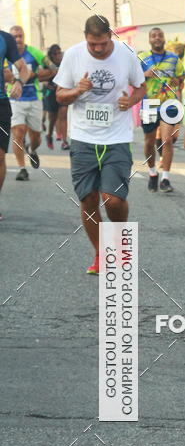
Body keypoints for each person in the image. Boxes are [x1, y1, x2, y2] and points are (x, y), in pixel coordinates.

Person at [54, 15, 146, 274]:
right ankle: (101, 253)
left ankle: (118, 243)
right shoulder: (73, 56)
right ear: (86, 38)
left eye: (103, 44)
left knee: (113, 199)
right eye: (93, 44)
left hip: (117, 137)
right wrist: (77, 91)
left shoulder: (126, 54)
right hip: (83, 138)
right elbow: (60, 96)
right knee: (89, 199)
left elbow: (141, 86)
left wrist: (132, 101)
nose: (98, 49)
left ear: (110, 37)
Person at [138, 27, 185, 193]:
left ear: (164, 39)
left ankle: (165, 178)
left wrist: (177, 83)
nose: (157, 38)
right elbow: (132, 78)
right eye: (153, 36)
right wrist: (145, 74)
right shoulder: (142, 57)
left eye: (160, 35)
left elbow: (181, 77)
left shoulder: (173, 58)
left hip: (169, 104)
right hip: (149, 104)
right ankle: (152, 173)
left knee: (167, 140)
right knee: (149, 142)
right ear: (150, 40)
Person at [5, 26, 55, 181]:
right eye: (14, 36)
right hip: (14, 100)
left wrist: (35, 75)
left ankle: (32, 150)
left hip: (34, 99)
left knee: (36, 137)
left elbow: (53, 69)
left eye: (20, 36)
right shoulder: (5, 54)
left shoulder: (35, 53)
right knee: (18, 133)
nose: (18, 39)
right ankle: (22, 169)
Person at [0, 29, 29, 219]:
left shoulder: (5, 38)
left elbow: (23, 68)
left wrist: (19, 81)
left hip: (1, 103)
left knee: (0, 156)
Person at [42, 44, 69, 151]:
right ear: (51, 55)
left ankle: (65, 141)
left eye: (59, 53)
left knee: (63, 115)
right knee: (53, 118)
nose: (58, 55)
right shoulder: (47, 63)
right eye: (55, 54)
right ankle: (49, 135)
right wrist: (46, 82)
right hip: (52, 92)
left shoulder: (64, 61)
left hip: (63, 90)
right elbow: (41, 77)